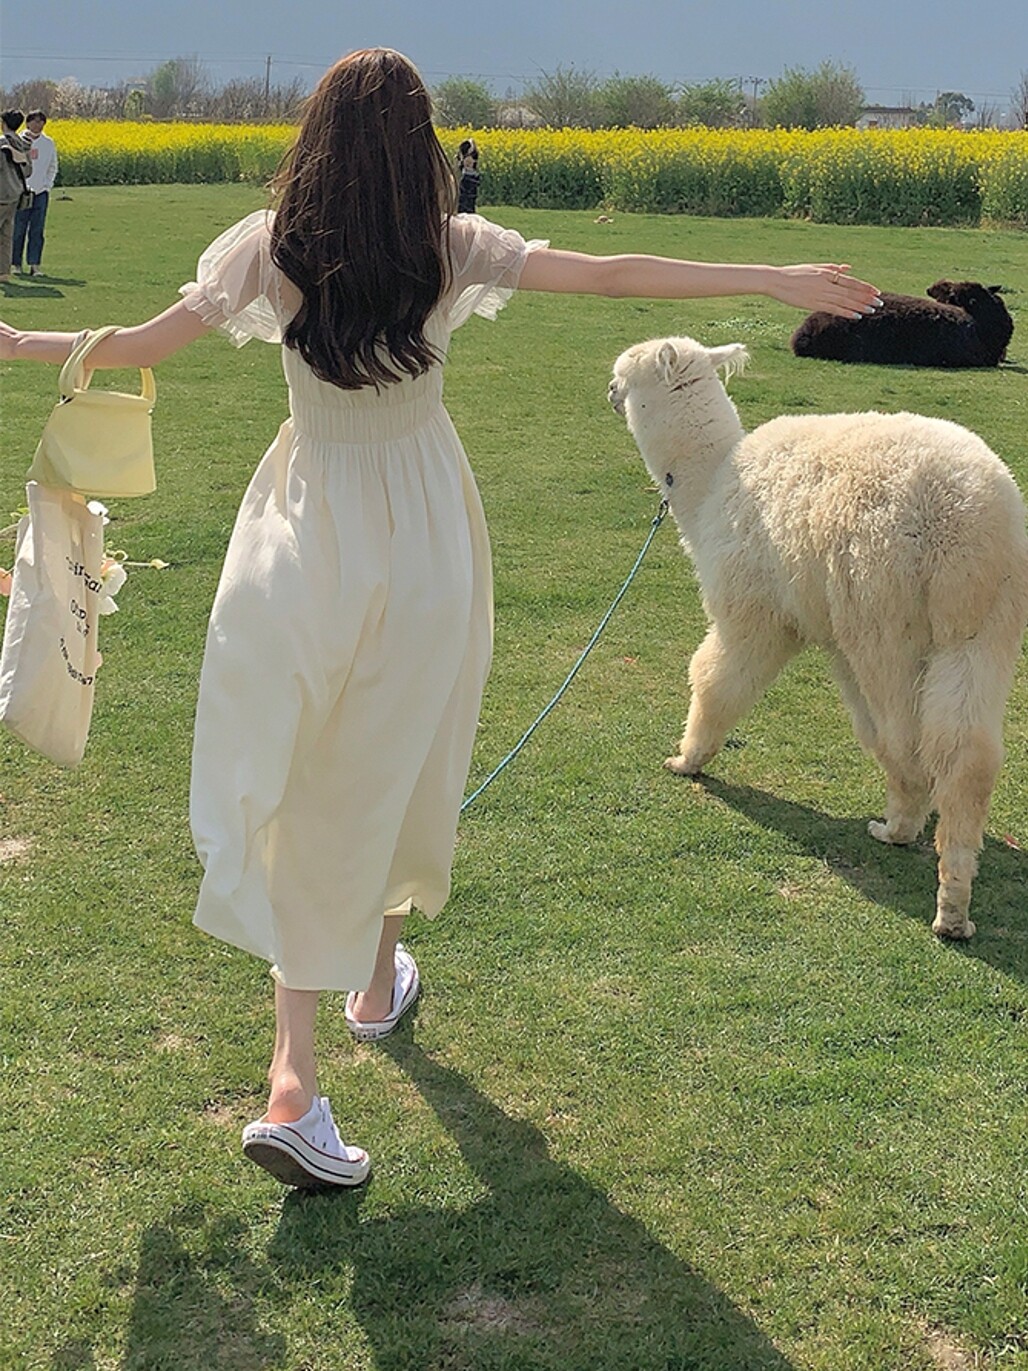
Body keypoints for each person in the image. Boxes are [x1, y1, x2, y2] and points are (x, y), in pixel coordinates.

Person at [0, 48, 881, 1191]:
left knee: (319, 775)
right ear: (416, 144)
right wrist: (767, 277)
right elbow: (607, 273)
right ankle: (311, 1060)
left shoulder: (270, 246)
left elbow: (144, 341)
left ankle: (344, 1017)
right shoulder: (448, 246)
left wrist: (24, 345)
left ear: (316, 140)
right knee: (406, 754)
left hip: (303, 533)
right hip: (422, 534)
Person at [13, 110, 58, 277]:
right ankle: (15, 264)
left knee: (37, 230)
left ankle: (34, 265)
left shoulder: (48, 143)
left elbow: (53, 166)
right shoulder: (17, 141)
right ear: (27, 123)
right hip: (21, 192)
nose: (37, 125)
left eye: (41, 122)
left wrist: (47, 185)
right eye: (34, 121)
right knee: (18, 229)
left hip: (40, 193)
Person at [0, 110, 30, 283]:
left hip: (1, 193)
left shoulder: (2, 143)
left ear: (4, 123)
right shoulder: (22, 143)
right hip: (16, 194)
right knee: (6, 235)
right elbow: (28, 170)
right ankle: (3, 272)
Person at [456, 137, 480, 214]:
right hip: (466, 176)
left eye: (472, 157)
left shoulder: (472, 177)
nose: (469, 159)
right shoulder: (462, 173)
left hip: (469, 176)